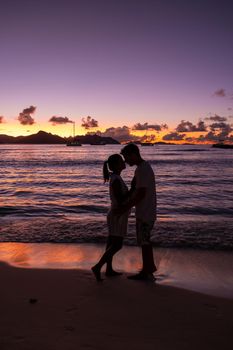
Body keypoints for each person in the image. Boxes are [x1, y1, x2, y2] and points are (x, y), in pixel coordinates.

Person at [120, 143, 157, 281]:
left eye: (126, 157)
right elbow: (138, 190)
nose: (125, 161)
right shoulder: (143, 168)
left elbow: (141, 194)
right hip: (147, 210)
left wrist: (125, 207)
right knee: (145, 241)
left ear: (133, 155)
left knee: (144, 241)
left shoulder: (142, 170)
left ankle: (147, 272)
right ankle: (149, 269)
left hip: (145, 212)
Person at [91, 154, 130, 281]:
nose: (124, 162)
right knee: (117, 245)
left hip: (115, 213)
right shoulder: (116, 179)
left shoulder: (115, 177)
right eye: (121, 161)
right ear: (116, 165)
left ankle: (108, 269)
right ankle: (98, 267)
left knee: (111, 243)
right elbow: (121, 199)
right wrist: (133, 191)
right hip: (118, 215)